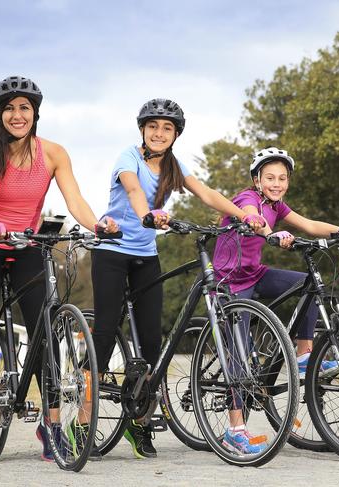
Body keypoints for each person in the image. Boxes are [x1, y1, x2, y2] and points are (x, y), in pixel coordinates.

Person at [89, 98, 264, 460]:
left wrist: (244, 216)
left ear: (176, 134)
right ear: (142, 129)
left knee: (152, 343)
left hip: (145, 257)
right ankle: (81, 420)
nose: (159, 132)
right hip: (112, 251)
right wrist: (148, 215)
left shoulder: (174, 165)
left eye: (167, 128)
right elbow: (135, 190)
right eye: (153, 126)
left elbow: (208, 194)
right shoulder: (129, 158)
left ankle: (139, 423)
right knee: (105, 331)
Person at [0, 76, 118, 467]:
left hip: (27, 245)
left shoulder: (54, 153)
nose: (17, 115)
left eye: (24, 108)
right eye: (9, 108)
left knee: (46, 332)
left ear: (35, 113)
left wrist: (97, 224)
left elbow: (74, 198)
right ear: (0, 114)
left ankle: (52, 426)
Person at [211, 147, 339, 455]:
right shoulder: (248, 199)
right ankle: (235, 430)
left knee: (306, 282)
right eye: (270, 177)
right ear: (257, 180)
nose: (277, 183)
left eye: (282, 178)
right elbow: (254, 218)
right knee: (238, 358)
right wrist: (271, 233)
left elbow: (307, 224)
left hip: (254, 274)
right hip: (229, 283)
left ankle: (304, 355)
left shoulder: (277, 204)